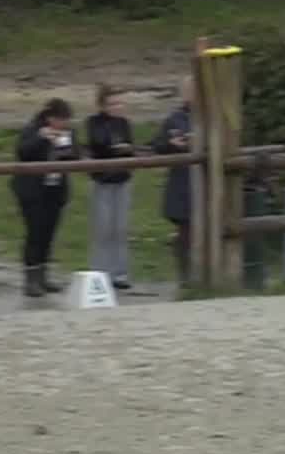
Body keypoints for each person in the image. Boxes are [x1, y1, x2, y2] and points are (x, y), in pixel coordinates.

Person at [12, 98, 81, 297]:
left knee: (49, 233)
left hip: (55, 190)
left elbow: (75, 155)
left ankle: (43, 276)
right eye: (61, 120)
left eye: (67, 120)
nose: (64, 124)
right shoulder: (33, 129)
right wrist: (42, 138)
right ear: (50, 118)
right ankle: (31, 279)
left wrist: (66, 147)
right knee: (35, 232)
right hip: (32, 191)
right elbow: (22, 152)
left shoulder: (68, 132)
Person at [85, 84, 138, 290]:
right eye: (112, 104)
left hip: (122, 180)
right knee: (103, 228)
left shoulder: (124, 123)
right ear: (102, 105)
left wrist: (126, 149)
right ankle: (99, 273)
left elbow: (130, 146)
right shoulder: (93, 122)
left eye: (119, 103)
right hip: (102, 181)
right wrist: (113, 146)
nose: (117, 107)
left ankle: (120, 273)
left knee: (121, 228)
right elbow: (97, 143)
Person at [150, 80, 194, 286]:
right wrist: (171, 144)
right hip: (182, 182)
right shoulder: (175, 119)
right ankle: (185, 277)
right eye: (190, 91)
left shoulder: (212, 116)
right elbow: (157, 145)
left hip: (207, 183)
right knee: (185, 230)